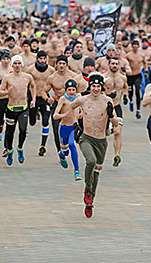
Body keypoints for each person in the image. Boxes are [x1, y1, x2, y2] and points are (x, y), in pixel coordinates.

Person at [68, 72, 119, 218]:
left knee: (97, 171)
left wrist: (110, 114)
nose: (95, 89)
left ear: (102, 87)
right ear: (89, 86)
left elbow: (116, 123)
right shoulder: (83, 100)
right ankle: (88, 189)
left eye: (98, 86)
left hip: (101, 141)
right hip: (86, 138)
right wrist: (74, 123)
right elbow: (70, 108)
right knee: (91, 161)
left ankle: (90, 202)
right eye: (93, 86)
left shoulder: (107, 100)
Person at [0, 55, 36, 165]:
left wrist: (33, 100)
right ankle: (10, 150)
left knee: (23, 130)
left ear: (22, 64)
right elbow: (0, 92)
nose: (17, 66)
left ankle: (20, 148)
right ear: (12, 65)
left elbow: (33, 87)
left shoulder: (27, 77)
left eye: (19, 63)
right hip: (11, 108)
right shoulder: (7, 78)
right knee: (10, 132)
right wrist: (7, 92)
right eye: (15, 63)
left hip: (23, 108)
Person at [43, 55, 77, 153]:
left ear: (67, 65)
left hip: (70, 105)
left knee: (72, 128)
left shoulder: (73, 76)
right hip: (57, 104)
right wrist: (47, 99)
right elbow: (43, 92)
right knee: (56, 130)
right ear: (56, 65)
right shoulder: (52, 78)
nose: (61, 65)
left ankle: (69, 145)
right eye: (60, 63)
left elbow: (79, 91)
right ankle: (60, 151)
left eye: (63, 63)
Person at [26, 50, 55, 156]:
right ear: (37, 58)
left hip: (45, 98)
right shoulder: (30, 69)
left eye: (44, 58)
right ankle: (33, 115)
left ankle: (43, 145)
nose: (42, 61)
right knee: (32, 122)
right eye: (40, 58)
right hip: (33, 98)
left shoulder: (51, 70)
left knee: (46, 121)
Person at [52, 79, 82, 181]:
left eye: (73, 89)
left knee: (72, 144)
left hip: (73, 127)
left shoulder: (78, 97)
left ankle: (77, 171)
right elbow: (55, 115)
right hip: (64, 127)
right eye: (69, 89)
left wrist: (81, 113)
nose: (71, 92)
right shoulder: (63, 99)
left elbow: (82, 107)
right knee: (65, 151)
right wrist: (63, 115)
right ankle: (61, 154)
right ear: (66, 90)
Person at [103, 57, 128, 166]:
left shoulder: (122, 78)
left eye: (116, 64)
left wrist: (125, 96)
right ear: (108, 65)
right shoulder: (104, 78)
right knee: (103, 134)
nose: (114, 65)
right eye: (112, 63)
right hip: (106, 107)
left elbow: (126, 87)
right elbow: (97, 91)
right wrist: (108, 95)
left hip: (117, 107)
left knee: (118, 132)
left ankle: (117, 155)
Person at [125, 40, 147, 119]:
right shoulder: (128, 55)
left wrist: (146, 71)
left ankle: (138, 110)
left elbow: (145, 63)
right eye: (133, 45)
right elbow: (124, 63)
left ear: (138, 46)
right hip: (130, 76)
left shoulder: (141, 55)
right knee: (130, 92)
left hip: (138, 75)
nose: (135, 47)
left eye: (136, 45)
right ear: (132, 46)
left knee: (138, 91)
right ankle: (131, 101)